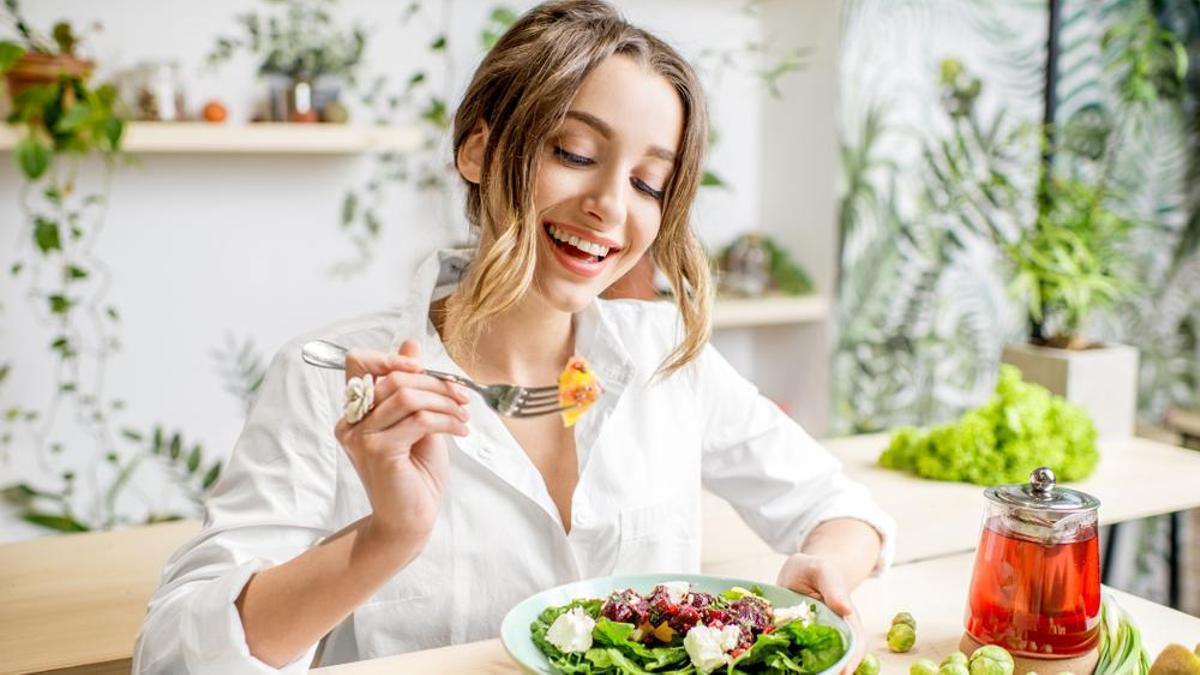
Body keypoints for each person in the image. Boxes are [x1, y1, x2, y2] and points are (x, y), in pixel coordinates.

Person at [133, 2, 895, 673]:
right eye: (574, 154)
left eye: (647, 183)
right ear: (478, 150)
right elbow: (174, 657)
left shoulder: (667, 356)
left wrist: (823, 565)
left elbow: (840, 507)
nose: (608, 206)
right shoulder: (331, 375)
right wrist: (386, 537)